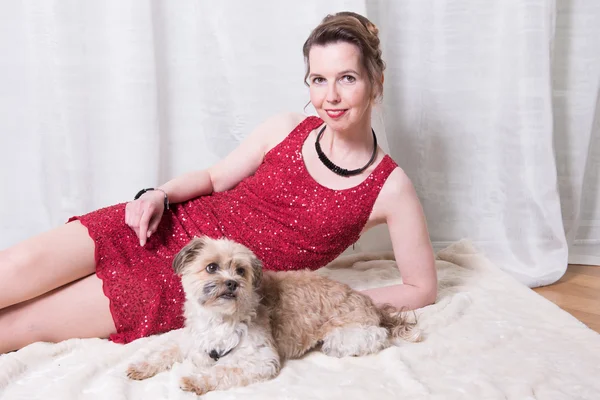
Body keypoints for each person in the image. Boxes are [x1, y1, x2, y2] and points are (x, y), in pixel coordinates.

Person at [0, 11, 437, 353]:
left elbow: (421, 288)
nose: (331, 96)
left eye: (347, 79)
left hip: (202, 280)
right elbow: (213, 177)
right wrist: (159, 194)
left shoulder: (390, 188)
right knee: (14, 268)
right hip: (167, 225)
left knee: (20, 326)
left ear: (375, 82)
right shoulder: (286, 127)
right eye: (318, 80)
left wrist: (328, 303)